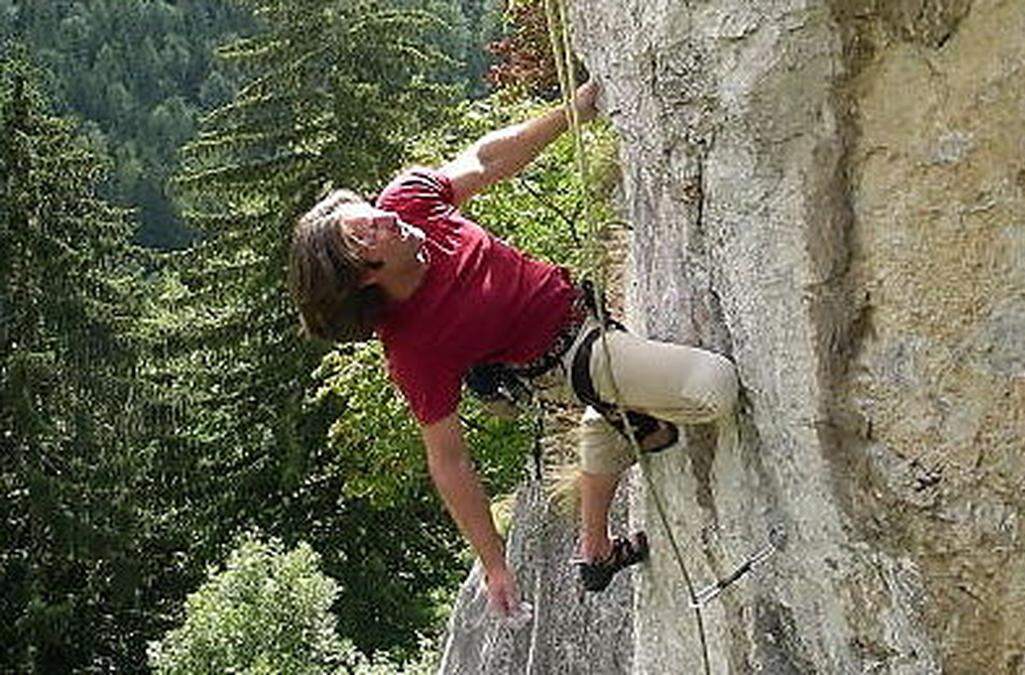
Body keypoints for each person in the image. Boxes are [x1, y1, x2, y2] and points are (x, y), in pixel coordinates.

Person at [289, 81, 739, 617]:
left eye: (366, 214)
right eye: (366, 236)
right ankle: (616, 415)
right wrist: (495, 561)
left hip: (583, 316)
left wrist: (574, 111)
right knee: (715, 386)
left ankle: (595, 544)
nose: (384, 218)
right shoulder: (414, 346)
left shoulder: (409, 201)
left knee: (636, 410)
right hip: (573, 361)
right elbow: (448, 459)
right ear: (364, 280)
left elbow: (486, 158)